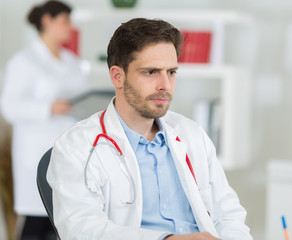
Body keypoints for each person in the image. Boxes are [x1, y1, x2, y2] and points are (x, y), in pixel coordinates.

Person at [47, 18, 253, 240]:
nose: (165, 85)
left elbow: (228, 215)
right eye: (151, 72)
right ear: (118, 76)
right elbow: (82, 230)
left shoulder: (192, 134)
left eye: (171, 72)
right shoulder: (76, 147)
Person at [0, 1, 87, 239]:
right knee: (38, 217)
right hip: (36, 150)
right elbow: (9, 106)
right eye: (65, 21)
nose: (70, 27)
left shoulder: (71, 60)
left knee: (63, 217)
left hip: (69, 148)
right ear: (47, 21)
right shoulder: (24, 61)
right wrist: (48, 108)